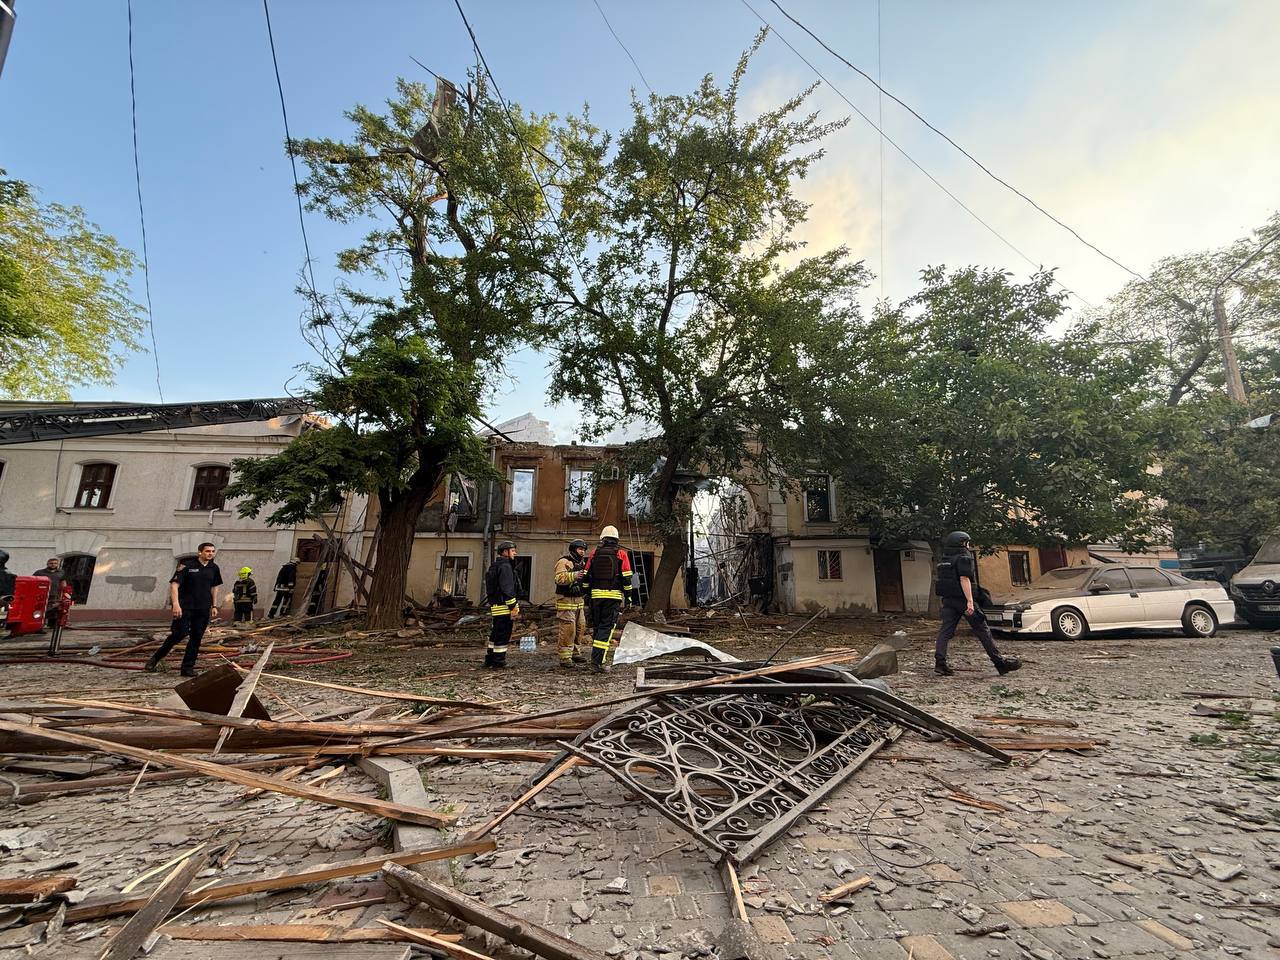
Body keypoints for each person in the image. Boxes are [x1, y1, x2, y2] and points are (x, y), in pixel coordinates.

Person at [934, 531, 1021, 677]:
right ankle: (1000, 663)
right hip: (963, 600)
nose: (969, 545)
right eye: (967, 542)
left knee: (945, 632)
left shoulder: (944, 560)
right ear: (962, 543)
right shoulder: (963, 557)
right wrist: (969, 601)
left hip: (948, 600)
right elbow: (964, 579)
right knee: (982, 630)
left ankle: (940, 663)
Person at [146, 542, 223, 677]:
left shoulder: (214, 568)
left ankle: (187, 668)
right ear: (200, 552)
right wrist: (176, 604)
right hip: (185, 607)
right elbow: (174, 585)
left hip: (203, 608)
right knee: (179, 633)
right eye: (207, 551)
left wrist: (214, 605)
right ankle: (156, 658)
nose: (210, 553)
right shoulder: (187, 565)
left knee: (196, 638)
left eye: (212, 551)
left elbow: (214, 587)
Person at [585, 525, 635, 673]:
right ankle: (597, 663)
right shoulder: (621, 554)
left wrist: (587, 593)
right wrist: (629, 597)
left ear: (603, 539)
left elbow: (586, 576)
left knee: (597, 627)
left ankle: (597, 660)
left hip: (595, 596)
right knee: (606, 629)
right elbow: (627, 578)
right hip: (613, 597)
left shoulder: (594, 553)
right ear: (617, 539)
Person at [482, 540, 521, 669]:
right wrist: (513, 606)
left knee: (495, 634)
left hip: (496, 606)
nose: (515, 553)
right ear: (505, 552)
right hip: (505, 607)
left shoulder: (495, 566)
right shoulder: (505, 567)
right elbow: (507, 588)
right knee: (503, 635)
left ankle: (490, 659)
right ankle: (499, 661)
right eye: (513, 550)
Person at [553, 539, 590, 668]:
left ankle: (575, 653)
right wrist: (574, 576)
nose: (582, 552)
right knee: (568, 628)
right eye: (580, 549)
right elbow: (559, 578)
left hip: (579, 601)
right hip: (566, 601)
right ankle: (565, 657)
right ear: (574, 550)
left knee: (580, 627)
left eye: (584, 550)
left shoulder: (582, 563)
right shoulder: (564, 561)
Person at [30, 557, 64, 631]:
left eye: (55, 563)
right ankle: (38, 626)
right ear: (47, 564)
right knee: (40, 610)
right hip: (42, 595)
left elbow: (63, 582)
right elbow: (33, 581)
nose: (53, 565)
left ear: (57, 564)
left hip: (54, 594)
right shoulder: (39, 572)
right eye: (51, 563)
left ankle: (52, 625)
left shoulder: (61, 572)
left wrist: (63, 592)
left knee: (53, 609)